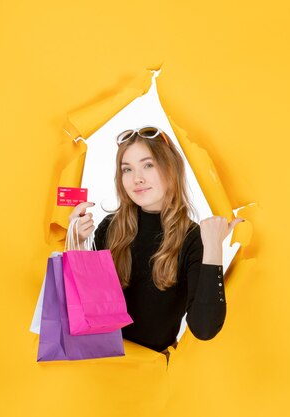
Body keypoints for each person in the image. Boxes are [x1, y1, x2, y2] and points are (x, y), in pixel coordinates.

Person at [68, 126, 243, 361]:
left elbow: (205, 329)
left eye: (148, 165)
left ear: (171, 168)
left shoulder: (192, 239)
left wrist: (213, 248)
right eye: (127, 169)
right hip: (100, 365)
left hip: (150, 376)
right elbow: (90, 309)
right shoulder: (111, 227)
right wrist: (77, 245)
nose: (137, 178)